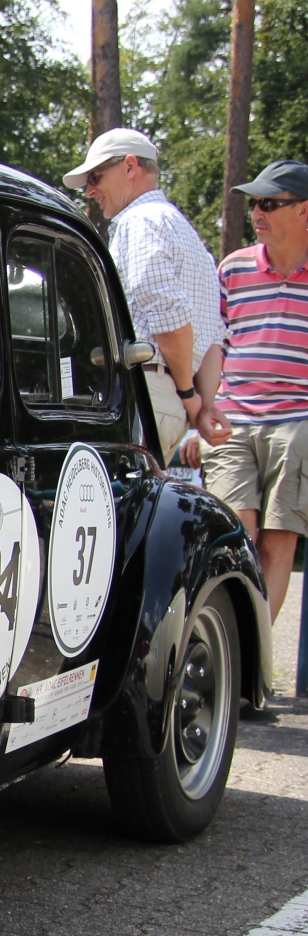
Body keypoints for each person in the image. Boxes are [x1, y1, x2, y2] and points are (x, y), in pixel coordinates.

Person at [65, 129, 231, 465]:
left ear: (130, 167)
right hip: (168, 405)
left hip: (148, 396)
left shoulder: (138, 222)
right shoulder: (186, 233)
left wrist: (188, 395)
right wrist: (203, 405)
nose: (90, 191)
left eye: (95, 176)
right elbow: (213, 337)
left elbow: (169, 317)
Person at [200, 161, 308, 622]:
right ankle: (237, 654)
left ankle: (255, 676)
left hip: (299, 421)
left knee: (277, 542)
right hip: (234, 420)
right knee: (235, 537)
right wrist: (202, 410)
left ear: (304, 211)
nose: (257, 213)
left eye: (270, 203)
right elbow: (214, 344)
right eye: (255, 203)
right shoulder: (234, 268)